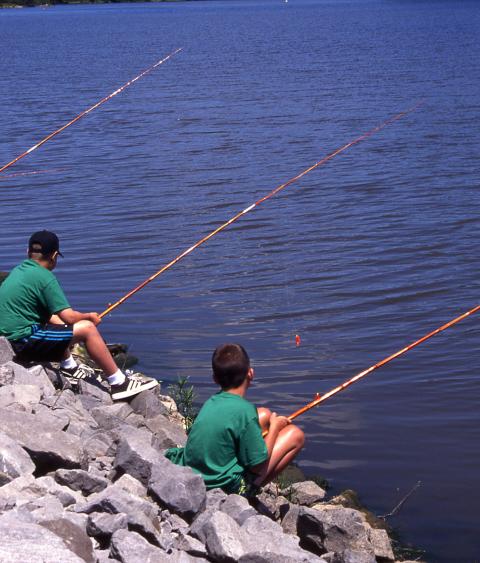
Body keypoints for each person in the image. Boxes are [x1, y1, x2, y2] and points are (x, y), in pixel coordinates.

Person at [0, 230, 158, 401]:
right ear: (54, 256)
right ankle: (119, 383)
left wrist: (71, 325)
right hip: (23, 345)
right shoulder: (45, 277)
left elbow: (52, 319)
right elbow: (69, 317)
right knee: (88, 330)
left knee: (60, 326)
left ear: (28, 252)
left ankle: (69, 366)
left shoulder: (17, 272)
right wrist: (89, 317)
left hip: (8, 342)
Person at [165, 343, 304, 495]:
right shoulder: (245, 412)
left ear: (215, 379)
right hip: (223, 487)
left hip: (195, 473)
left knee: (264, 414)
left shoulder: (210, 403)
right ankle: (251, 491)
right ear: (251, 373)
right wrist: (275, 428)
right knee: (295, 435)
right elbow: (257, 466)